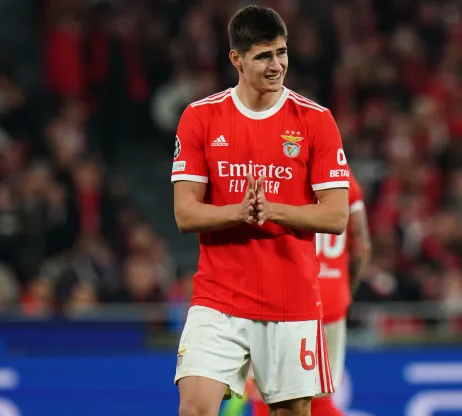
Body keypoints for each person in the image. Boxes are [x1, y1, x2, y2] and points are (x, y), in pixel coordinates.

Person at [171, 5, 350, 416]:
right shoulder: (200, 118)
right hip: (218, 298)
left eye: (282, 52)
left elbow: (335, 217)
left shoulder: (315, 121)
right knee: (194, 409)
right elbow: (185, 214)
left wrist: (273, 211)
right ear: (236, 59)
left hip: (291, 299)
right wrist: (239, 212)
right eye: (264, 56)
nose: (277, 65)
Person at [250, 172, 372, 416]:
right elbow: (362, 246)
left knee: (270, 396)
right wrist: (345, 290)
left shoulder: (282, 171)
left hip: (285, 299)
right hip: (331, 302)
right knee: (320, 397)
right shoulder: (345, 177)